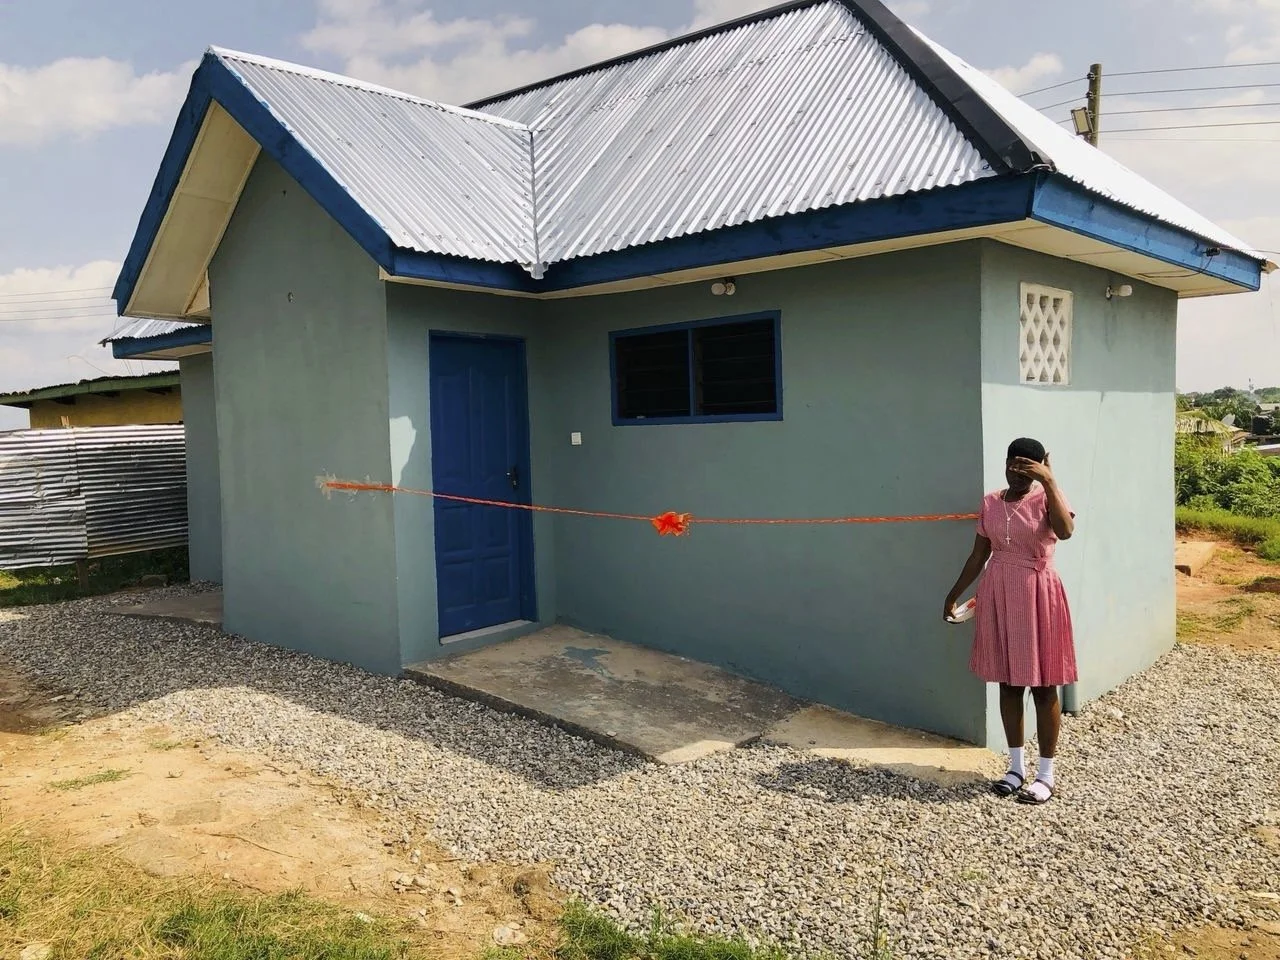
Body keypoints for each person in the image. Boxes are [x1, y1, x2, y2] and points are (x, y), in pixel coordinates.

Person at [943, 438, 1076, 805]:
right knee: (1008, 681)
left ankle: (1045, 774)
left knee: (1045, 684)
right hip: (999, 590)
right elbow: (978, 555)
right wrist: (953, 593)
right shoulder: (990, 502)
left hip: (1038, 592)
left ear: (1038, 468)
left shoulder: (1049, 497)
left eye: (1025, 467)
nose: (1016, 472)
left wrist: (1049, 481)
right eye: (1012, 465)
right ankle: (1015, 768)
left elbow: (1065, 532)